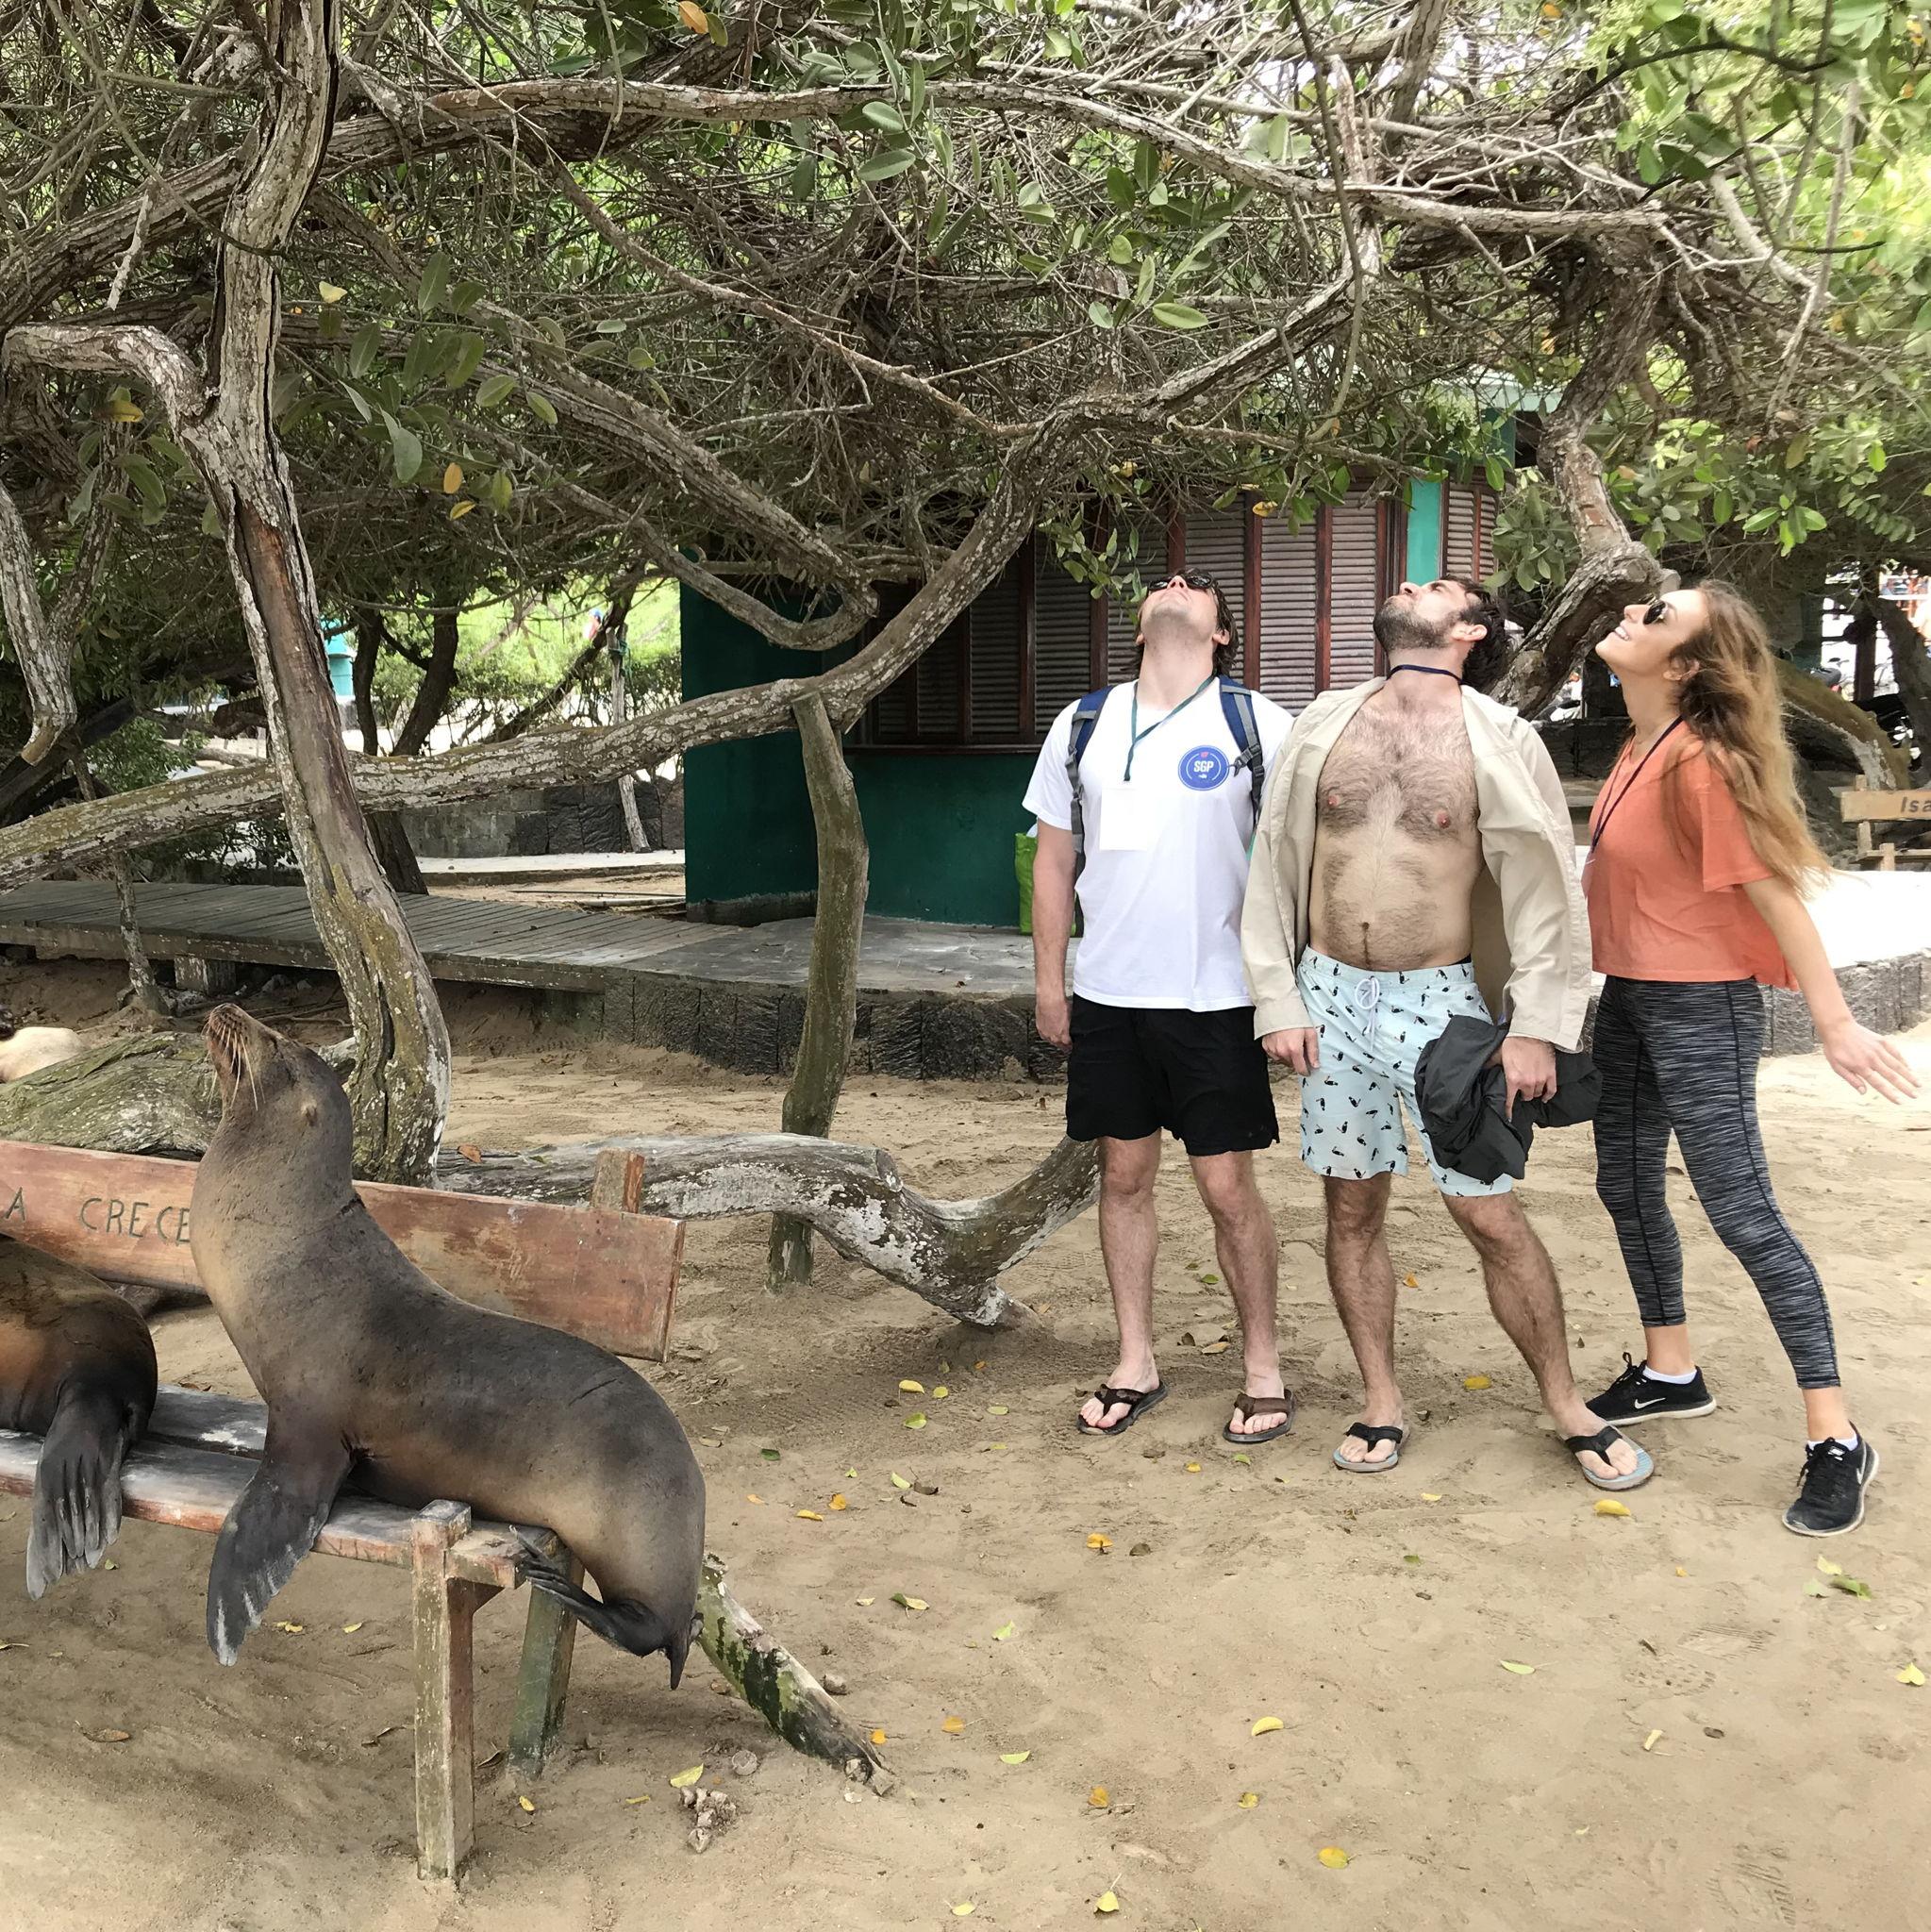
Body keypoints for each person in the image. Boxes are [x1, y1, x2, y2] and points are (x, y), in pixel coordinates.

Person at [1242, 577, 1651, 1491]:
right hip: (1329, 1000)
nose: (1407, 583)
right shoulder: (1324, 722)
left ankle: (1567, 1404)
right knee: (1350, 1208)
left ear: (1469, 629)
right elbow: (1272, 861)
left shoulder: (1499, 740)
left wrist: (1538, 1028)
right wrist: (1277, 996)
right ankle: (1380, 1399)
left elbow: (1548, 889)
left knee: (1488, 1211)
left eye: (1435, 586)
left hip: (1445, 1008)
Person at [1580, 583, 1918, 1535]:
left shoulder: (1700, 762)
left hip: (1700, 1005)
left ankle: (1834, 1436)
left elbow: (1777, 899)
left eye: (1659, 616)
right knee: (1625, 1184)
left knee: (1743, 1210)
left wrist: (1837, 1022)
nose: (1635, 614)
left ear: (1684, 667)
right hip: (1632, 996)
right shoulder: (1636, 747)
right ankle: (1669, 1369)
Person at [1027, 570, 1295, 1444]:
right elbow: (1052, 864)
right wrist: (1047, 980)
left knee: (1226, 1188)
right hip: (1108, 993)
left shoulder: (1258, 723)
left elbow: (1301, 855)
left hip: (1216, 995)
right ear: (1138, 623)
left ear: (1222, 633)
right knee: (1125, 1177)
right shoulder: (1084, 724)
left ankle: (1263, 1367)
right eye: (1161, 582)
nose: (1176, 585)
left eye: (1199, 586)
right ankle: (1134, 1359)